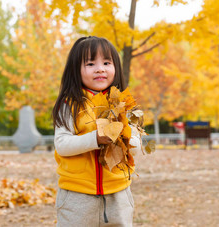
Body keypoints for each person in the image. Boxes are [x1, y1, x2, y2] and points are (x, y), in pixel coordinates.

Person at [52, 36, 141, 227]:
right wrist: (96, 139)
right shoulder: (70, 105)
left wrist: (127, 138)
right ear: (76, 70)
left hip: (118, 192)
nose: (100, 68)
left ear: (115, 67)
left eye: (106, 62)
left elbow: (135, 145)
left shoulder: (121, 104)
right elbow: (62, 145)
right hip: (77, 195)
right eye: (91, 63)